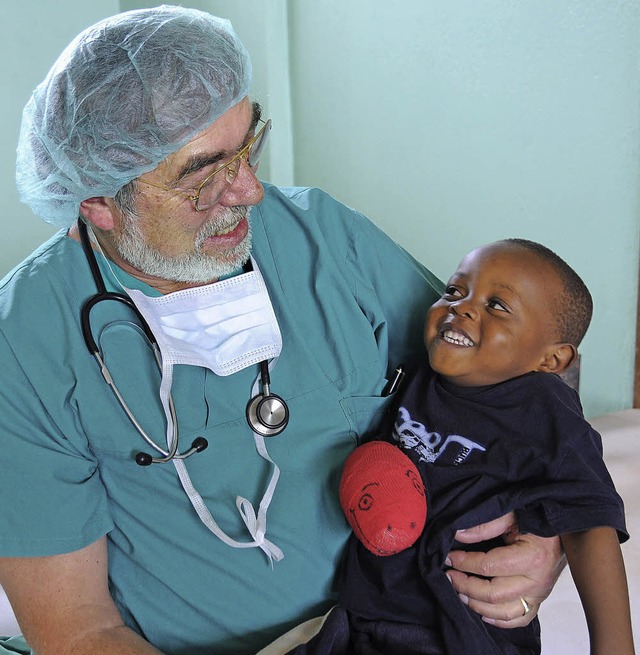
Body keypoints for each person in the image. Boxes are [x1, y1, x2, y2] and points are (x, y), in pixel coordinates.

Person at [0, 7, 565, 655]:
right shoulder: (23, 344)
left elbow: (513, 386)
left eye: (248, 148)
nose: (248, 191)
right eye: (204, 175)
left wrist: (541, 538)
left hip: (407, 619)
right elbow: (80, 630)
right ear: (98, 200)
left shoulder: (326, 239)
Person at [286, 239, 633, 654]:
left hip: (464, 631)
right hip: (364, 617)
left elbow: (590, 518)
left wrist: (614, 647)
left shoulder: (542, 407)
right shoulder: (418, 378)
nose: (462, 307)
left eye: (497, 306)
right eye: (454, 291)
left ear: (552, 360)